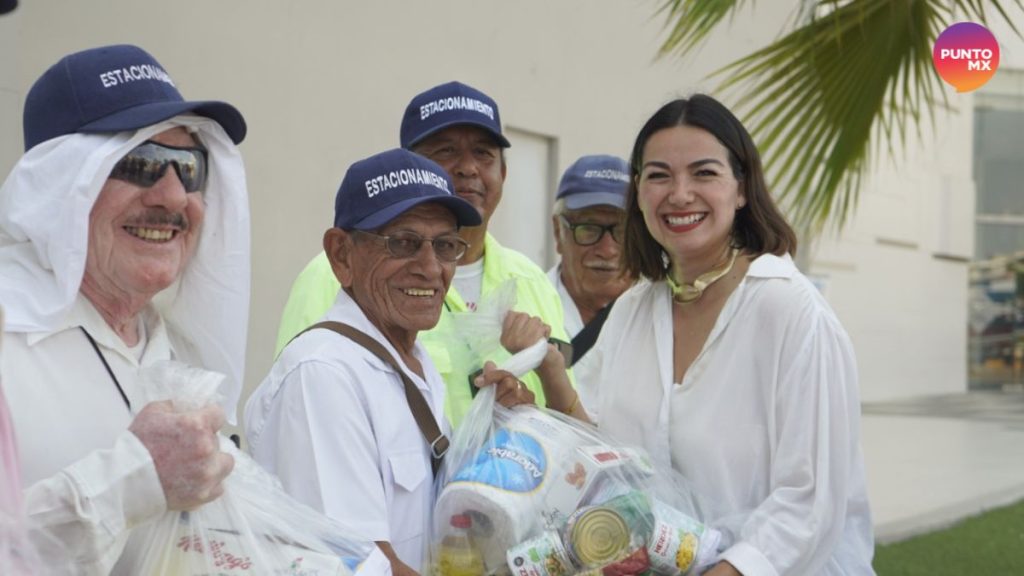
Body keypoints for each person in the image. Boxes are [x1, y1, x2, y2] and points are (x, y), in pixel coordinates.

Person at [557, 95, 875, 574]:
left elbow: (809, 503)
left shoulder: (789, 311)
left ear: (742, 189)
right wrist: (536, 383)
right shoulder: (634, 311)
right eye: (659, 175)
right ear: (639, 192)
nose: (680, 194)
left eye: (704, 173)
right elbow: (601, 443)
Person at [0, 44, 249, 574]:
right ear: (60, 184)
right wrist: (134, 478)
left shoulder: (179, 350)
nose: (174, 196)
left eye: (189, 166)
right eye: (140, 163)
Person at [245, 148, 535, 576]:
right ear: (342, 254)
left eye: (446, 245)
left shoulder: (410, 360)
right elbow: (357, 565)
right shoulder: (324, 375)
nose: (431, 267)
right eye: (403, 243)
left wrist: (497, 436)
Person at [274, 81, 571, 426]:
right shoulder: (336, 274)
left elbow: (566, 422)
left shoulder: (531, 280)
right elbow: (302, 408)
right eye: (445, 151)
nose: (468, 168)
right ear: (410, 168)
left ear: (503, 173)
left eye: (483, 153)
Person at [547, 154, 634, 366]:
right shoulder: (525, 307)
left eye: (622, 231)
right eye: (589, 228)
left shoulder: (665, 314)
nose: (607, 250)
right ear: (559, 232)